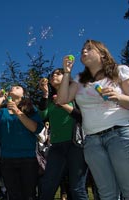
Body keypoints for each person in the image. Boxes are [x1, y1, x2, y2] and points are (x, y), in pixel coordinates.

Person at [56, 39, 129, 199]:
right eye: (82, 49)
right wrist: (66, 72)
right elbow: (62, 100)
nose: (83, 51)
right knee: (106, 194)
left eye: (89, 48)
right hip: (92, 141)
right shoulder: (79, 79)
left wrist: (118, 96)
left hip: (120, 134)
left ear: (102, 54)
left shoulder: (121, 71)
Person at [38, 68, 88, 200]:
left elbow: (83, 117)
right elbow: (43, 115)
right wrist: (44, 94)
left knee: (77, 187)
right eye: (52, 74)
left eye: (58, 73)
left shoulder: (75, 95)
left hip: (76, 145)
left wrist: (64, 104)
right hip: (56, 146)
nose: (54, 75)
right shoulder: (50, 100)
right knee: (48, 185)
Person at [0, 85, 44, 200]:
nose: (13, 87)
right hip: (7, 159)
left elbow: (35, 128)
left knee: (29, 195)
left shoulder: (31, 109)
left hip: (28, 158)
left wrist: (17, 111)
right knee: (13, 195)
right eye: (12, 87)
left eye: (17, 87)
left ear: (23, 94)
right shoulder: (2, 111)